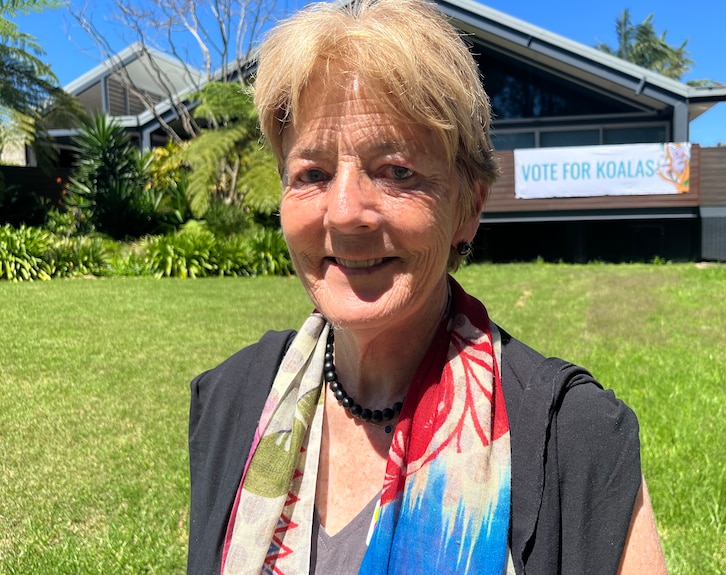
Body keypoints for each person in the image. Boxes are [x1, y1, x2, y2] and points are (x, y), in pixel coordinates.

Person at [187, 0, 668, 573]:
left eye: (396, 171)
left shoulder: (576, 440)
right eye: (312, 174)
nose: (344, 214)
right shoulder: (228, 402)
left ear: (468, 207)